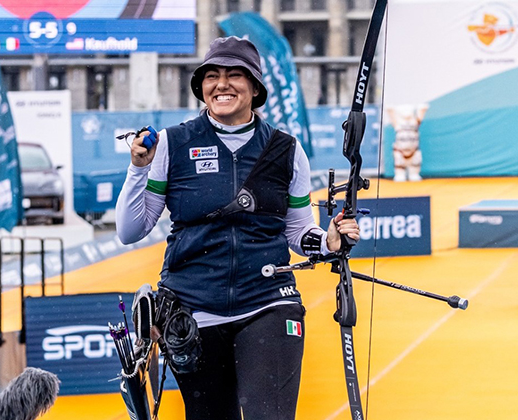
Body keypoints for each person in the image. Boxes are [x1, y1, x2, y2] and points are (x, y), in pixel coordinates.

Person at [115, 36, 360, 420]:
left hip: (268, 300)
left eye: (234, 75)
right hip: (193, 311)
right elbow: (131, 230)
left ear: (255, 87)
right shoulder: (171, 144)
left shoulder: (286, 150)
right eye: (211, 76)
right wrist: (138, 168)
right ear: (201, 88)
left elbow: (298, 232)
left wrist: (328, 241)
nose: (222, 84)